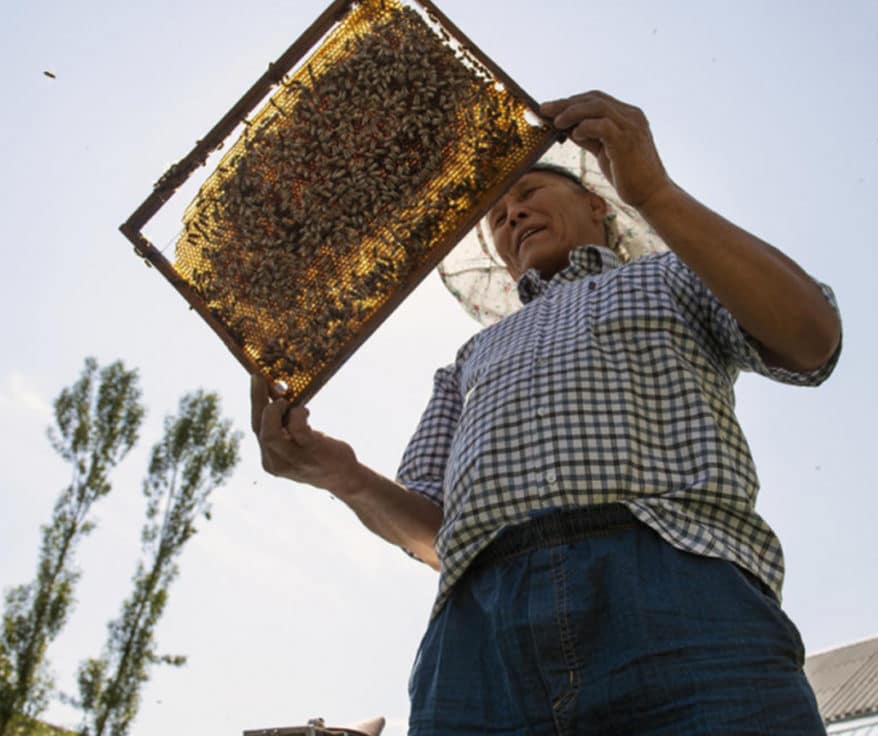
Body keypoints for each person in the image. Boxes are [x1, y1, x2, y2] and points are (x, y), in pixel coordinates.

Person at [251, 90, 842, 735]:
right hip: (479, 639)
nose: (513, 214)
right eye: (499, 216)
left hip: (675, 584)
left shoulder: (671, 276)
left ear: (596, 202)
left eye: (530, 191)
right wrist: (342, 475)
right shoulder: (469, 357)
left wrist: (655, 194)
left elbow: (810, 339)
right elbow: (436, 536)